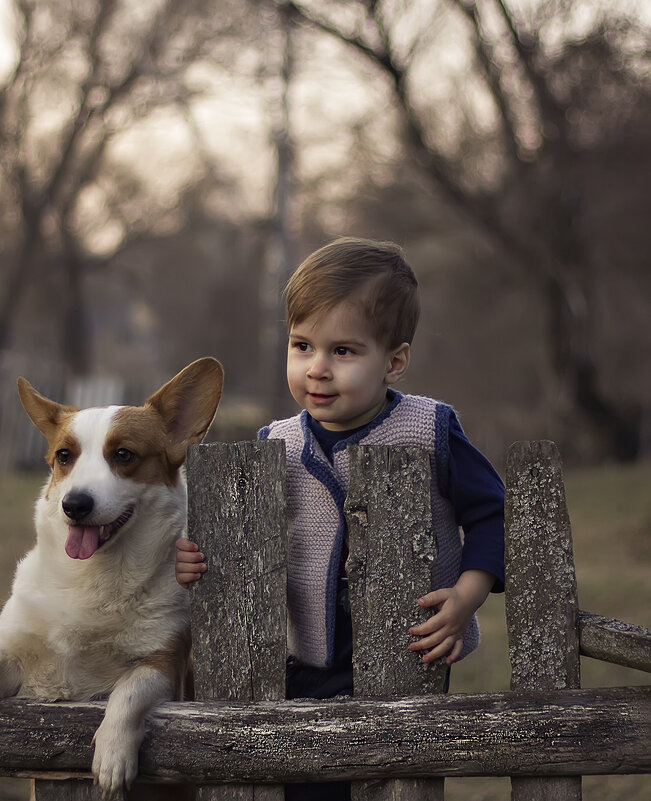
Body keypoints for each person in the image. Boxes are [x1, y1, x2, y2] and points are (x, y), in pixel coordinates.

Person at [175, 236, 504, 801]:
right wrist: (195, 558)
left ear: (394, 361)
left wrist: (467, 596)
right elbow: (242, 543)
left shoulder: (429, 430)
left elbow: (493, 516)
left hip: (408, 650)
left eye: (343, 352)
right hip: (304, 654)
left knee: (391, 779)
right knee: (308, 782)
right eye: (302, 346)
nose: (317, 369)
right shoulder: (273, 442)